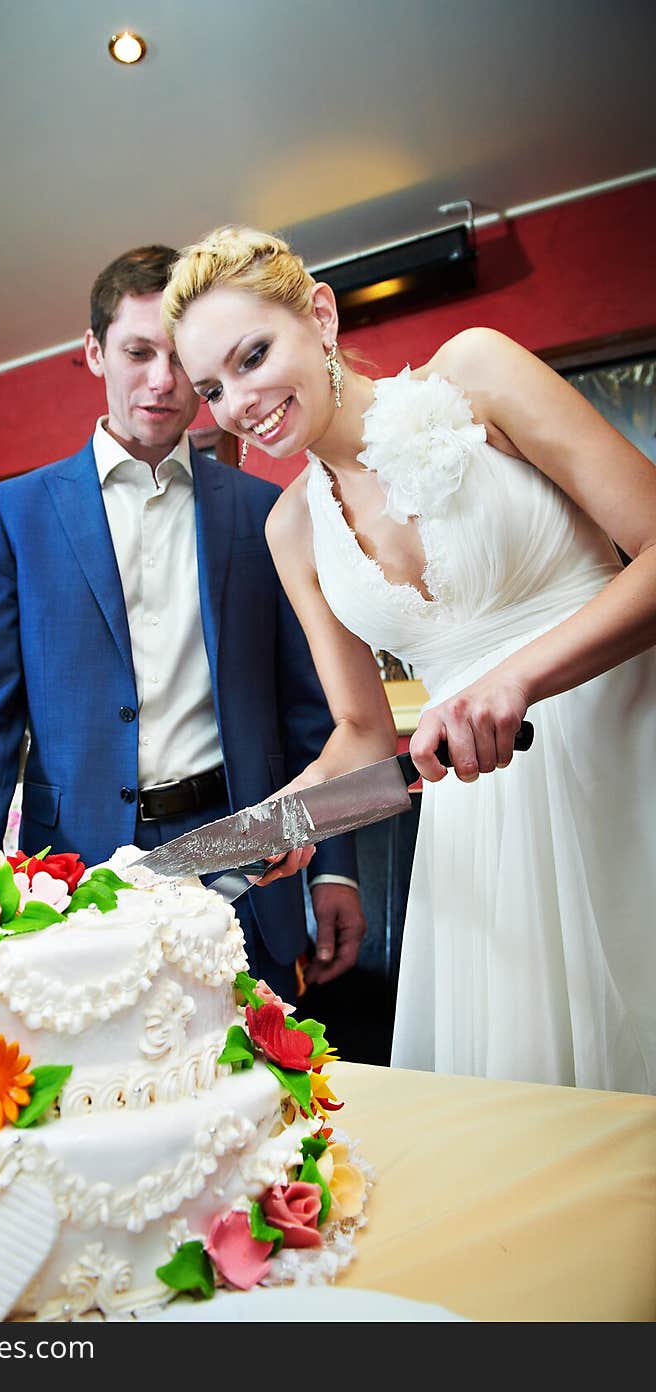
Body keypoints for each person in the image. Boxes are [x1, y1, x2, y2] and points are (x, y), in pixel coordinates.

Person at [162, 225, 656, 1093]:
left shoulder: (477, 371)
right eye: (212, 387)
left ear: (320, 317)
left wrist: (519, 678)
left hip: (630, 750)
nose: (237, 401)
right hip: (488, 830)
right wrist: (283, 822)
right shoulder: (293, 531)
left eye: (252, 355)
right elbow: (358, 732)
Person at [0, 243, 366, 1003]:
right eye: (137, 352)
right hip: (71, 872)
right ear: (94, 352)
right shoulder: (16, 515)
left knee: (251, 1095)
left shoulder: (269, 513)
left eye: (178, 360)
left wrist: (334, 863)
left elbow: (315, 708)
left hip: (246, 856)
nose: (162, 382)